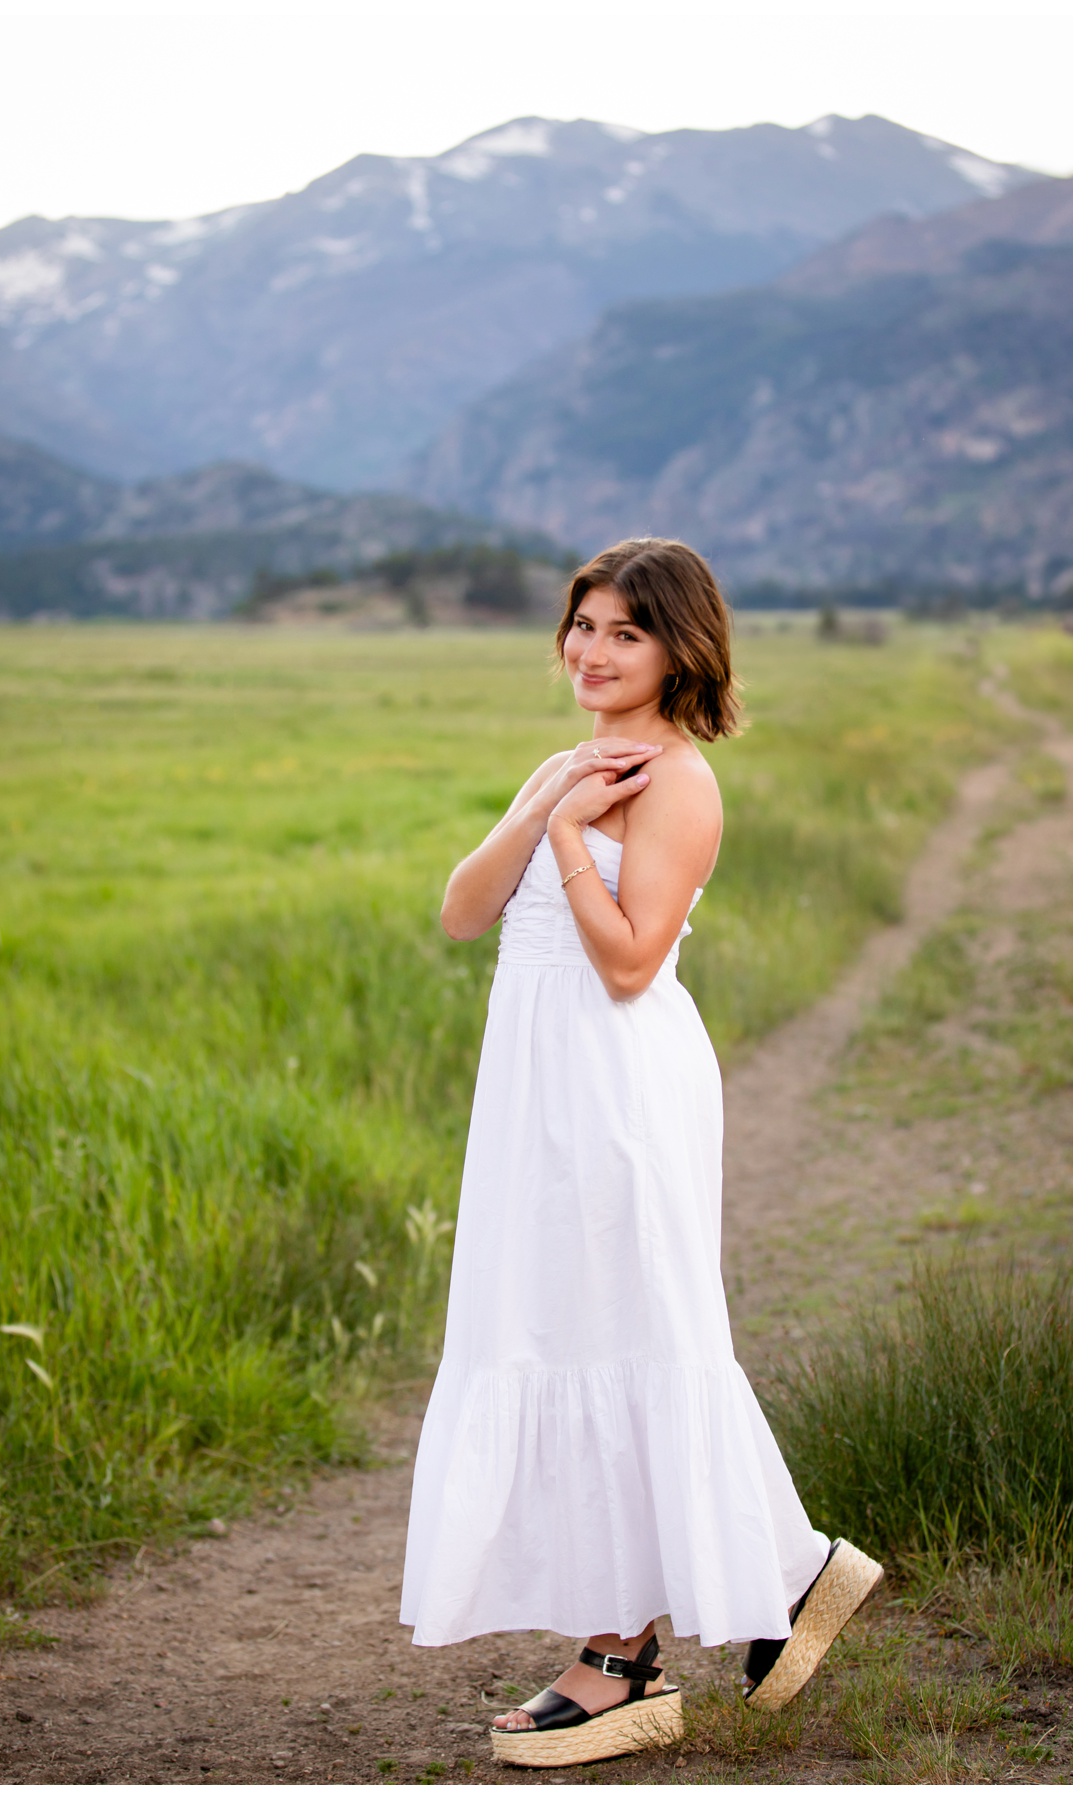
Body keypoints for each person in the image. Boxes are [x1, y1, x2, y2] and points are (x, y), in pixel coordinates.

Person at [398, 539, 880, 1770]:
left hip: (620, 1088)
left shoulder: (682, 783)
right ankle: (777, 1577)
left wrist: (570, 837)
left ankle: (625, 1657)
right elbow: (462, 910)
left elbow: (628, 963)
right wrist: (546, 804)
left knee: (628, 1334)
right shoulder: (568, 761)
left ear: (680, 648)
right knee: (559, 1331)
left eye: (623, 632)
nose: (590, 652)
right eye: (582, 625)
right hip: (534, 1091)